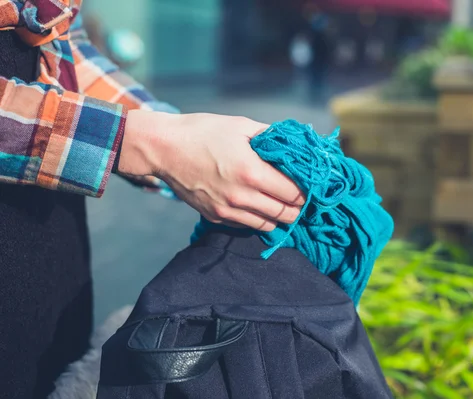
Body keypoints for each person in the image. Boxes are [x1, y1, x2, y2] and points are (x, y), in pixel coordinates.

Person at [0, 1, 303, 398]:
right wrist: (147, 144)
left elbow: (59, 46)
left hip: (50, 244)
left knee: (55, 368)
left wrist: (181, 138)